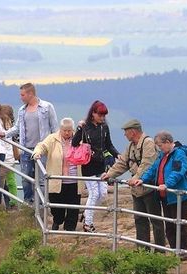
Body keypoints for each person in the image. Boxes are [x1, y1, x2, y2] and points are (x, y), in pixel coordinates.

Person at [129, 131, 187, 259]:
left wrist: (167, 184)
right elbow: (153, 169)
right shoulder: (162, 156)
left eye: (160, 145)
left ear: (168, 142)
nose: (160, 148)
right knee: (169, 225)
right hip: (166, 196)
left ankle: (183, 252)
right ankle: (174, 250)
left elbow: (178, 171)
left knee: (179, 224)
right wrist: (143, 179)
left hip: (177, 196)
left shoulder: (179, 154)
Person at [102, 119, 162, 249]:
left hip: (149, 188)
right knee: (139, 219)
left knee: (155, 220)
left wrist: (136, 178)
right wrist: (110, 174)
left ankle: (160, 250)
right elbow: (123, 162)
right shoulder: (131, 146)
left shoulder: (148, 143)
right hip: (136, 189)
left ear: (133, 132)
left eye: (126, 132)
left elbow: (147, 164)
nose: (125, 135)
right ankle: (142, 250)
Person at [0, 82, 58, 206]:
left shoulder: (47, 107)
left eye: (23, 95)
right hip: (25, 148)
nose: (21, 97)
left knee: (41, 179)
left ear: (30, 94)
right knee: (26, 178)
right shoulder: (22, 110)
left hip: (42, 149)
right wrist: (4, 134)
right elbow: (17, 128)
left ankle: (41, 204)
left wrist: (54, 146)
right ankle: (29, 203)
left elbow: (54, 129)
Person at [72, 100, 119, 233]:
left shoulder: (104, 127)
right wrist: (79, 129)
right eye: (100, 115)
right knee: (94, 193)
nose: (102, 118)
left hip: (101, 164)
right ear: (93, 113)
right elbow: (75, 143)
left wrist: (117, 155)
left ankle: (87, 214)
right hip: (88, 164)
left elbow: (108, 144)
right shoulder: (85, 127)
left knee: (102, 194)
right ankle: (88, 224)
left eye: (104, 115)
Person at [33, 118, 81, 231]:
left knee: (73, 208)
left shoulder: (79, 139)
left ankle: (70, 231)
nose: (67, 133)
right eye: (65, 130)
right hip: (57, 179)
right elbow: (42, 146)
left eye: (69, 130)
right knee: (56, 206)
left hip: (74, 179)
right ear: (60, 129)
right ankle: (57, 220)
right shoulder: (53, 138)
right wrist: (37, 153)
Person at [0, 103, 20, 209]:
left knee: (1, 182)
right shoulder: (10, 124)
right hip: (10, 156)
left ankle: (0, 203)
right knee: (11, 181)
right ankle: (13, 202)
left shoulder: (1, 122)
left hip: (5, 157)